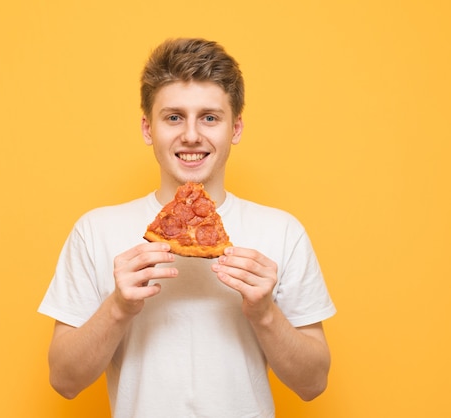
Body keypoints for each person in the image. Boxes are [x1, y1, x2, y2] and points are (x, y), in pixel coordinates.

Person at [38, 38, 336, 418]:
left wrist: (265, 314)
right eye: (174, 117)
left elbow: (313, 385)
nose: (192, 135)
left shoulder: (282, 231)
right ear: (148, 128)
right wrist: (118, 307)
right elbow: (64, 381)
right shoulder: (94, 230)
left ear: (236, 128)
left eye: (210, 117)